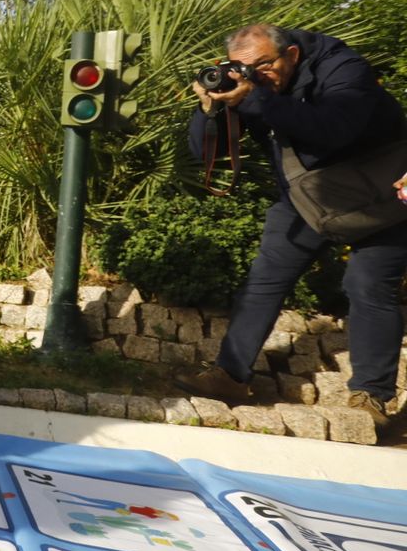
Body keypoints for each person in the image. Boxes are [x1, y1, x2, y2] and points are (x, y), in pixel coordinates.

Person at [174, 23, 407, 427]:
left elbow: (334, 129)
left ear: (292, 55)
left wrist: (257, 99)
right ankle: (230, 376)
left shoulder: (343, 67)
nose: (256, 74)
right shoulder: (250, 84)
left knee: (368, 285)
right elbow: (206, 153)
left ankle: (371, 397)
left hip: (382, 190)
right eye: (244, 67)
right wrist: (210, 110)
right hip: (308, 197)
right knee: (265, 278)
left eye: (264, 65)